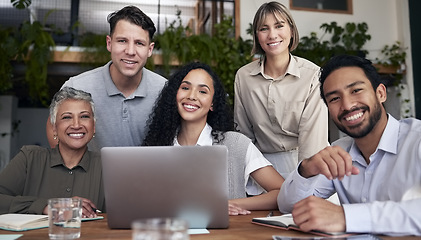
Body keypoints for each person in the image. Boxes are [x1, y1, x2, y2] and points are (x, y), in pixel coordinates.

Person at [277, 55, 421, 236]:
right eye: (335, 99)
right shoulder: (339, 152)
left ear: (381, 93)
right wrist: (306, 170)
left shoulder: (416, 141)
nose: (347, 105)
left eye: (356, 90)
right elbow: (289, 206)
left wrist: (346, 217)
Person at [143, 62, 285, 216]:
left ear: (212, 103)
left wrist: (227, 205)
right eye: (185, 88)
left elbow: (282, 192)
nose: (191, 96)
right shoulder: (157, 147)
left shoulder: (236, 144)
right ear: (174, 95)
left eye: (202, 91)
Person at [47, 5, 167, 151]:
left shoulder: (165, 91)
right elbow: (53, 127)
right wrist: (73, 168)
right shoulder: (77, 86)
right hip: (92, 174)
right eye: (122, 41)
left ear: (150, 49)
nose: (130, 51)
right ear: (109, 43)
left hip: (149, 174)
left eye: (139, 43)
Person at [234, 2, 328, 178]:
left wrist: (305, 180)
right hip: (261, 166)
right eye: (264, 28)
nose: (272, 35)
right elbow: (243, 135)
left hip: (307, 163)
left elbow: (313, 141)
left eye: (279, 26)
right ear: (256, 36)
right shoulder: (244, 76)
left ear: (291, 31)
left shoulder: (313, 75)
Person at [0, 87, 104, 218]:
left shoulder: (108, 165)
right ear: (54, 127)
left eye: (84, 116)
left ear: (93, 126)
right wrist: (48, 206)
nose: (76, 124)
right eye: (67, 117)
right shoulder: (29, 158)